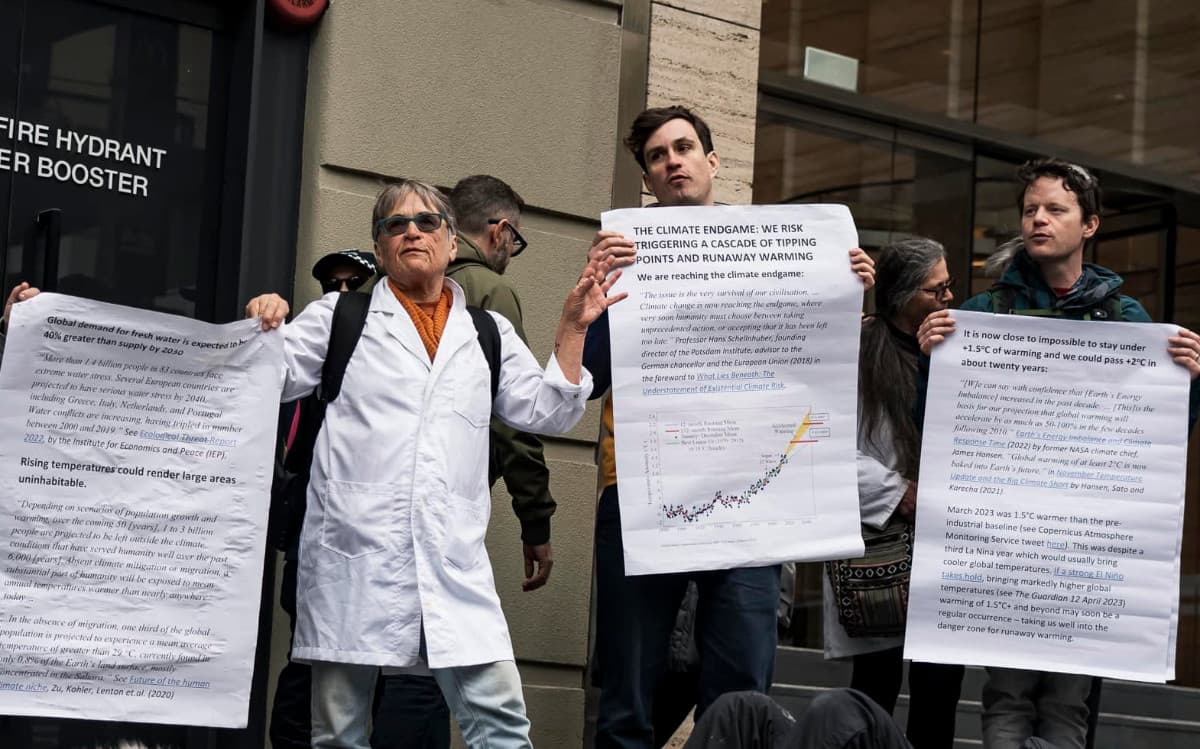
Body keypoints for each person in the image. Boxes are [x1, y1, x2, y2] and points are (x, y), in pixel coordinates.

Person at [245, 178, 624, 748]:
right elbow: (258, 379)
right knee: (338, 735)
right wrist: (264, 322)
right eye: (395, 225)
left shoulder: (486, 332)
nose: (411, 231)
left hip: (452, 565)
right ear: (379, 250)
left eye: (427, 222)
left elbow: (549, 411)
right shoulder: (338, 318)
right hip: (354, 560)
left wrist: (572, 330)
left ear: (451, 244)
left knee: (500, 728)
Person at [583, 105, 876, 748]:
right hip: (641, 492)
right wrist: (594, 295)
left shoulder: (779, 254)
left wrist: (846, 294)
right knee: (628, 698)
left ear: (712, 162)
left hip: (752, 496)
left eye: (683, 148)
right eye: (657, 157)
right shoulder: (624, 260)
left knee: (742, 695)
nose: (672, 162)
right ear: (649, 180)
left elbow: (817, 365)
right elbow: (587, 375)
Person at [916, 158, 1200, 749]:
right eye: (1030, 210)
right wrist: (929, 360)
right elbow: (931, 423)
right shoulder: (984, 315)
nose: (1039, 220)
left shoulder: (1124, 319)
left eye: (1055, 210)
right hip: (1007, 546)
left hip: (1084, 550)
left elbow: (1161, 435)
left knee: (1069, 707)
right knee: (1007, 698)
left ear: (1090, 225)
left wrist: (1187, 382)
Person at [823, 238, 965, 742]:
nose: (949, 297)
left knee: (941, 686)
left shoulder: (957, 349)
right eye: (936, 289)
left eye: (949, 285)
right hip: (883, 547)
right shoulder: (860, 349)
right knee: (875, 686)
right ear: (903, 295)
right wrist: (900, 493)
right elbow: (824, 445)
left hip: (946, 546)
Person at [446, 174, 556, 591]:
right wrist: (536, 522)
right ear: (501, 232)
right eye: (516, 242)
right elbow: (516, 418)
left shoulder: (387, 282)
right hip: (453, 500)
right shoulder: (491, 290)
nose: (511, 253)